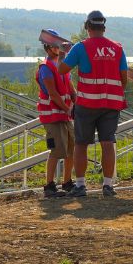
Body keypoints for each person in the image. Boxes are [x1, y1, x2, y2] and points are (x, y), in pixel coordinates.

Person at [58, 10, 128, 197]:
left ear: (87, 27)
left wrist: (63, 53)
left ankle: (80, 185)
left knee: (81, 144)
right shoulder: (117, 48)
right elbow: (124, 79)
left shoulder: (81, 47)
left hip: (87, 103)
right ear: (103, 27)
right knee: (108, 143)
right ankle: (108, 185)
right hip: (111, 103)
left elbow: (62, 69)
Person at [36, 30, 77, 198]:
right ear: (48, 47)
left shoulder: (62, 66)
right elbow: (53, 94)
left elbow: (70, 88)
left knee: (70, 149)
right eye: (55, 45)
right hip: (52, 116)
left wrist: (77, 104)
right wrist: (68, 109)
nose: (58, 48)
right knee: (56, 150)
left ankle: (67, 182)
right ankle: (49, 185)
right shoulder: (46, 68)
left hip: (64, 115)